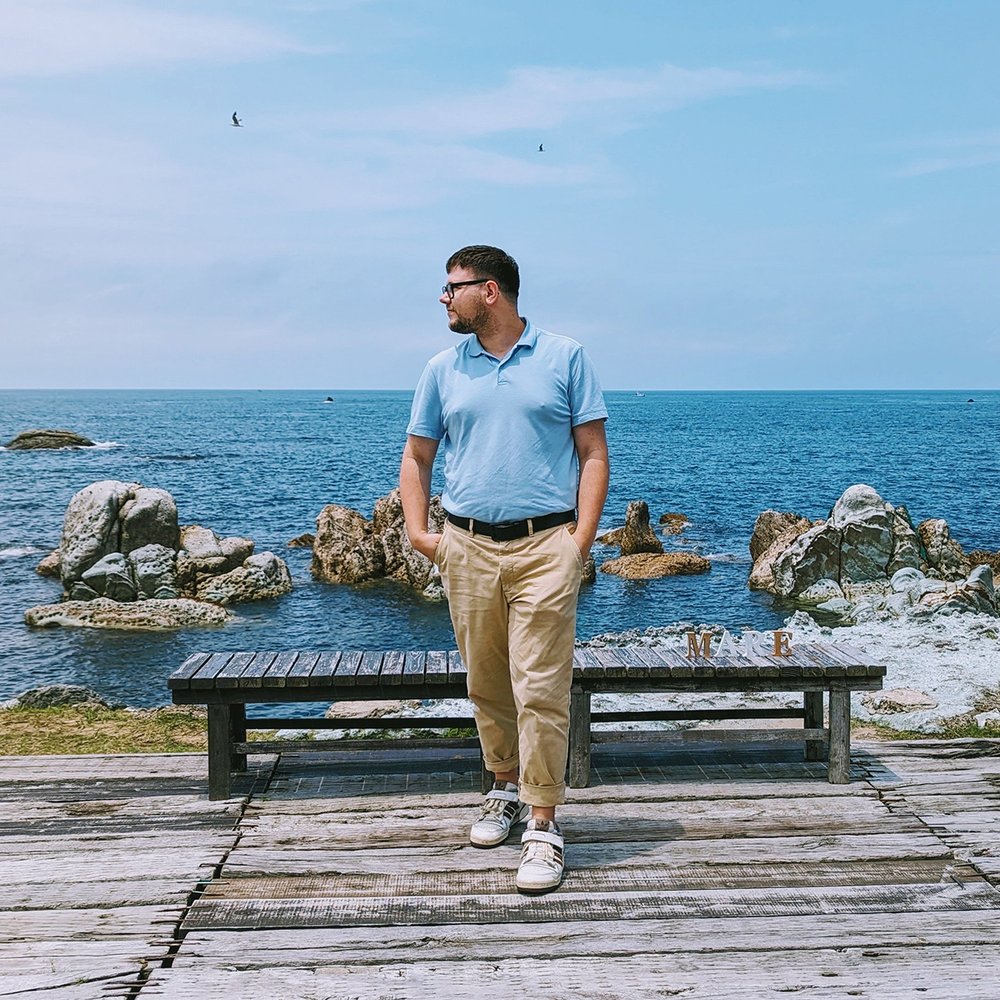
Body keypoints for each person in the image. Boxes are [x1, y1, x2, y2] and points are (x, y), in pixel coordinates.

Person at [399, 245, 609, 893]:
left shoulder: (565, 358)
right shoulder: (441, 368)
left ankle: (544, 825)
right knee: (488, 680)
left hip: (546, 545)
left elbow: (594, 454)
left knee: (541, 684)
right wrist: (419, 533)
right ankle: (504, 787)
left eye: (451, 287)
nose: (443, 298)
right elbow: (417, 456)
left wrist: (579, 542)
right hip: (465, 546)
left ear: (489, 291)